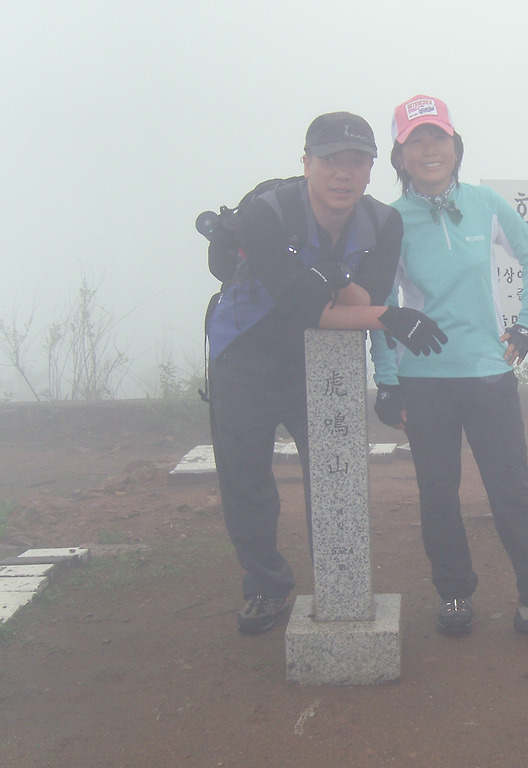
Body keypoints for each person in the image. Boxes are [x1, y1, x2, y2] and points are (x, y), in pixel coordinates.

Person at [206, 111, 447, 635]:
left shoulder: (384, 222)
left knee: (334, 473)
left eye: (356, 162)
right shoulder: (267, 214)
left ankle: (340, 583)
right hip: (242, 353)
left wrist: (346, 290)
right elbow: (304, 306)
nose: (343, 174)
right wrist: (386, 316)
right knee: (245, 476)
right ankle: (266, 585)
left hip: (322, 356)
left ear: (371, 170)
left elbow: (365, 296)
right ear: (306, 163)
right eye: (330, 160)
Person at [369, 95, 528, 650]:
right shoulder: (390, 221)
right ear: (400, 155)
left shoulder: (487, 203)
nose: (429, 149)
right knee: (438, 495)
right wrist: (387, 378)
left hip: (489, 375)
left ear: (455, 146)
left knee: (512, 493)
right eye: (416, 140)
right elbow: (379, 304)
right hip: (423, 381)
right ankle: (455, 594)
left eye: (437, 137)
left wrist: (526, 326)